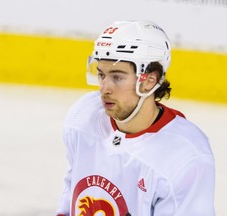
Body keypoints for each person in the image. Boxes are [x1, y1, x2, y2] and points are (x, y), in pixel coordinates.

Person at [56, 20, 215, 216]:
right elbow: (72, 191)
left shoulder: (185, 156)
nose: (104, 88)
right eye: (101, 75)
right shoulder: (84, 117)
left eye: (117, 77)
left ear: (149, 80)